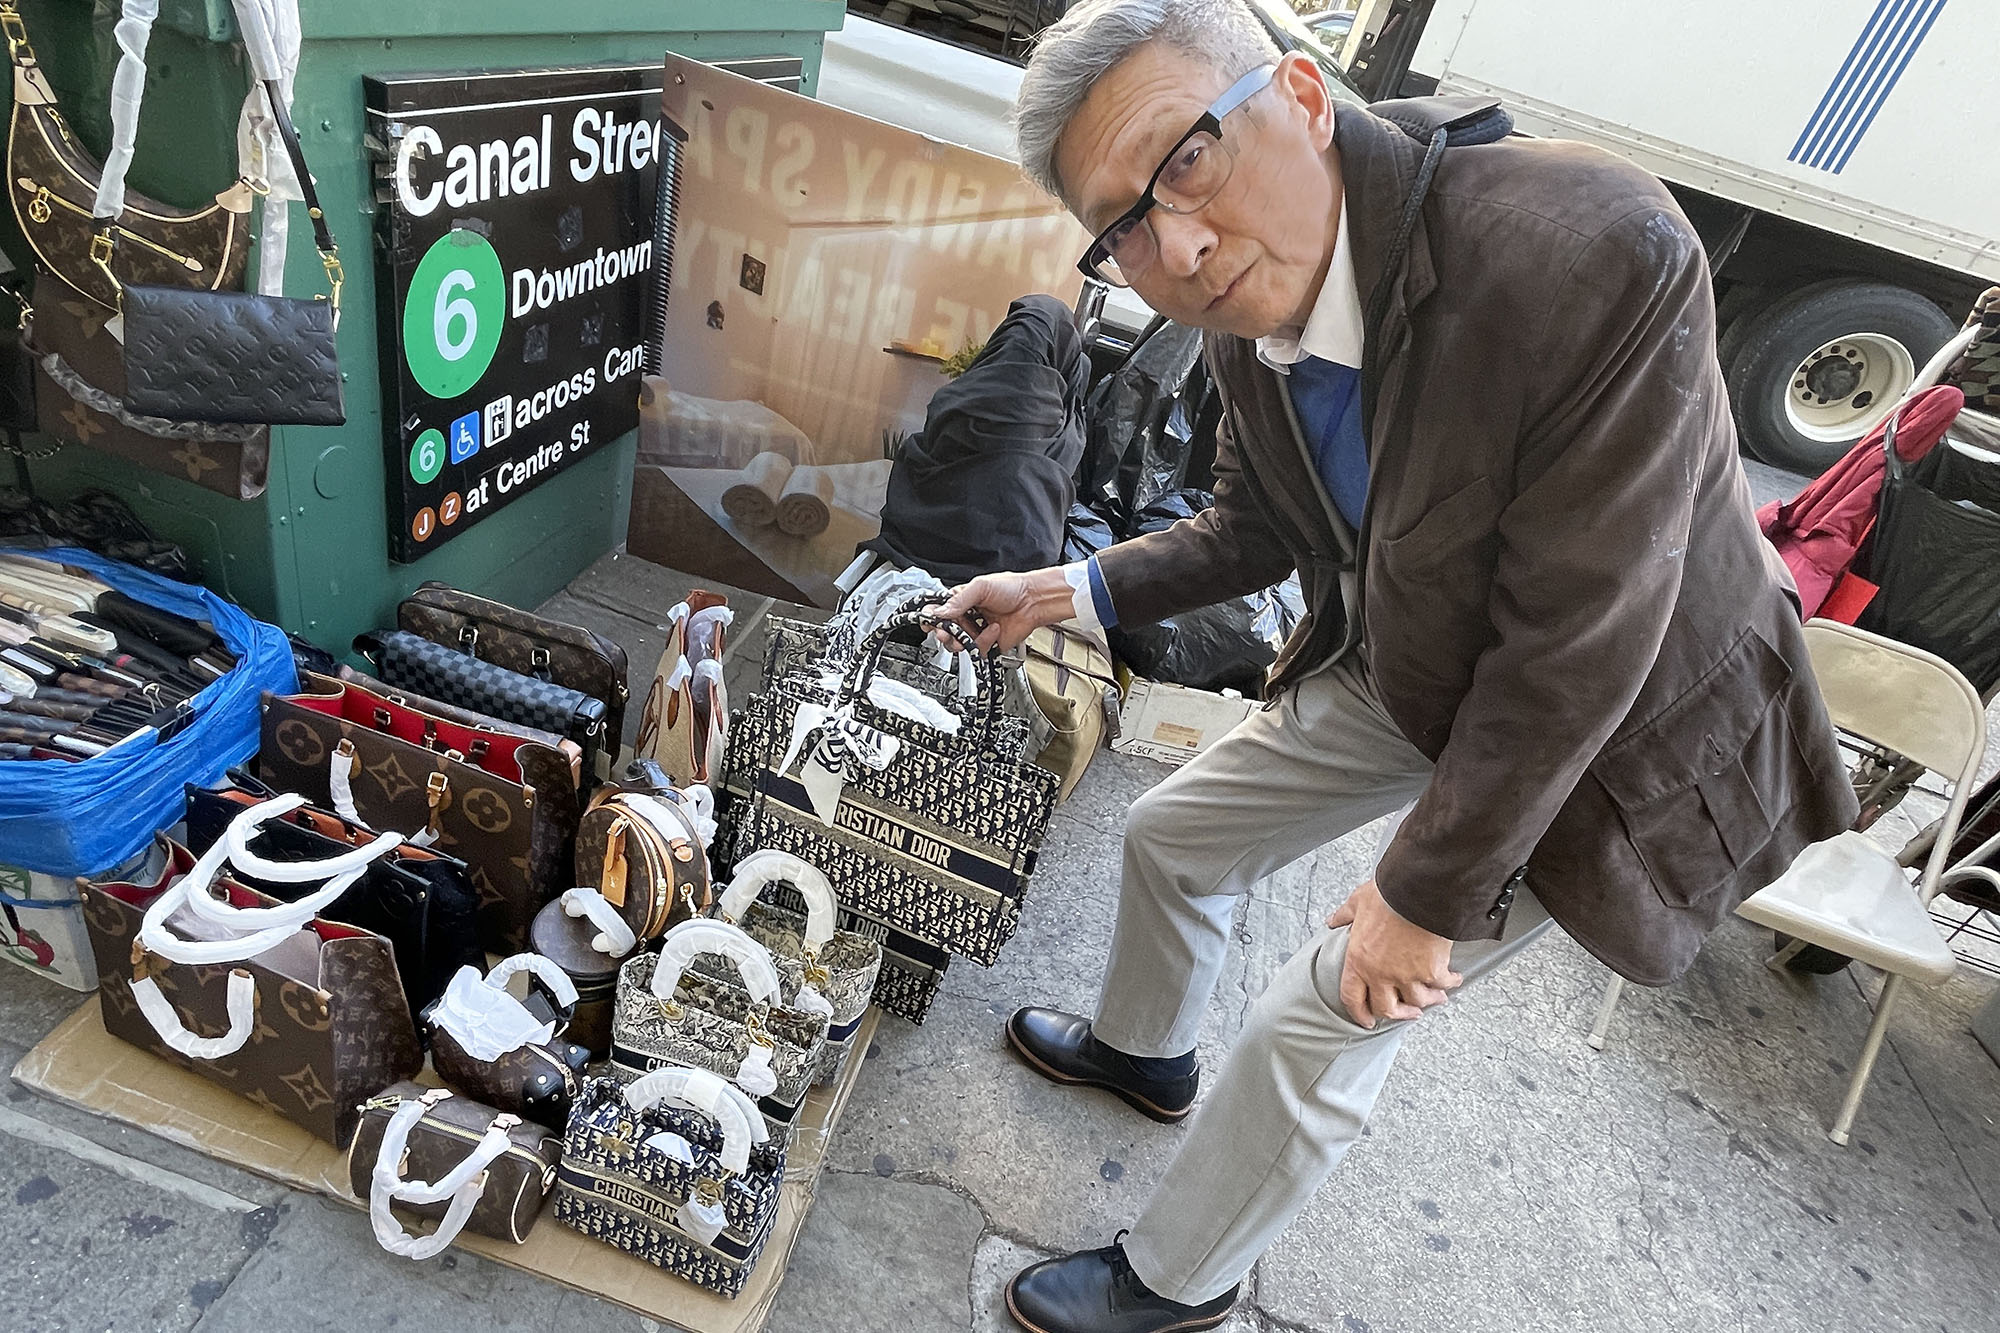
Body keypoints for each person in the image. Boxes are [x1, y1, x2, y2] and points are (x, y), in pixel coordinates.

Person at [931, 2, 1859, 1330]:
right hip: (1422, 651)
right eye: (1121, 225)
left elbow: (1581, 634)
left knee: (1327, 1008)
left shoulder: (1593, 249)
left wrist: (1423, 892)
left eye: (1183, 159)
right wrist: (1062, 586)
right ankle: (1146, 1055)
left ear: (1303, 96)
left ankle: (1179, 1282)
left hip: (1604, 726)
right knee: (1174, 830)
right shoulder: (1250, 313)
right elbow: (1254, 526)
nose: (1174, 245)